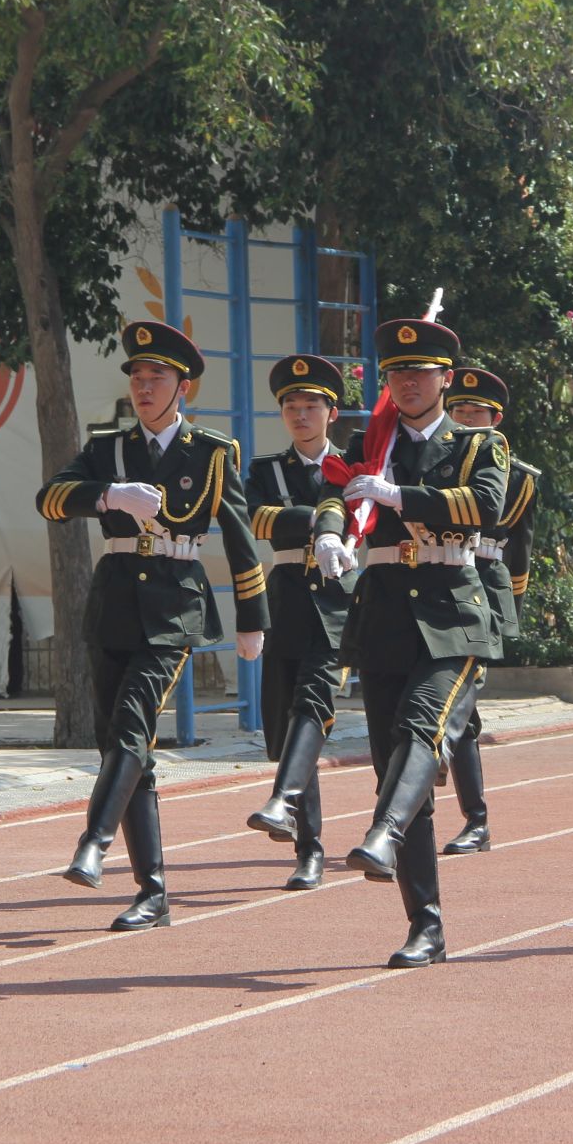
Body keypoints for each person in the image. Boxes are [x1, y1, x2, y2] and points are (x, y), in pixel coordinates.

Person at [35, 320, 268, 931]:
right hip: (113, 605)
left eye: (156, 377)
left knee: (134, 722)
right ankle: (154, 891)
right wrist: (109, 497)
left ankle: (94, 841)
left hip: (174, 606)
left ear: (181, 386)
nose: (143, 386)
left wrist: (253, 620)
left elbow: (242, 542)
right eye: (136, 376)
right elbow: (51, 499)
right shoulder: (108, 449)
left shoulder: (213, 453)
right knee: (122, 743)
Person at [311, 317, 507, 968]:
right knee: (395, 765)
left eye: (420, 371)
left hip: (453, 616)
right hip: (386, 616)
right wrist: (331, 534)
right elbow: (339, 490)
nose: (409, 381)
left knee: (425, 726)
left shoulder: (479, 444)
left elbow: (483, 507)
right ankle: (426, 924)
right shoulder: (375, 441)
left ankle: (382, 832)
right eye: (398, 372)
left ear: (445, 379)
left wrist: (401, 494)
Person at [243, 354, 354, 890]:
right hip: (286, 600)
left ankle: (303, 837)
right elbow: (255, 518)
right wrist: (319, 520)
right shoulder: (267, 470)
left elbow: (364, 515)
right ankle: (302, 832)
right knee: (285, 728)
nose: (300, 414)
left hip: (339, 606)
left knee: (315, 703)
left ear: (331, 412)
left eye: (311, 405)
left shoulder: (356, 465)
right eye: (291, 405)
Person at [434, 365, 542, 855]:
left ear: (495, 419)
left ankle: (468, 811)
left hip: (486, 586)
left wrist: (509, 611)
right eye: (458, 410)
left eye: (475, 412)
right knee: (462, 714)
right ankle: (472, 820)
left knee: (462, 698)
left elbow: (518, 547)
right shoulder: (434, 460)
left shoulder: (518, 478)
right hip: (441, 582)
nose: (465, 419)